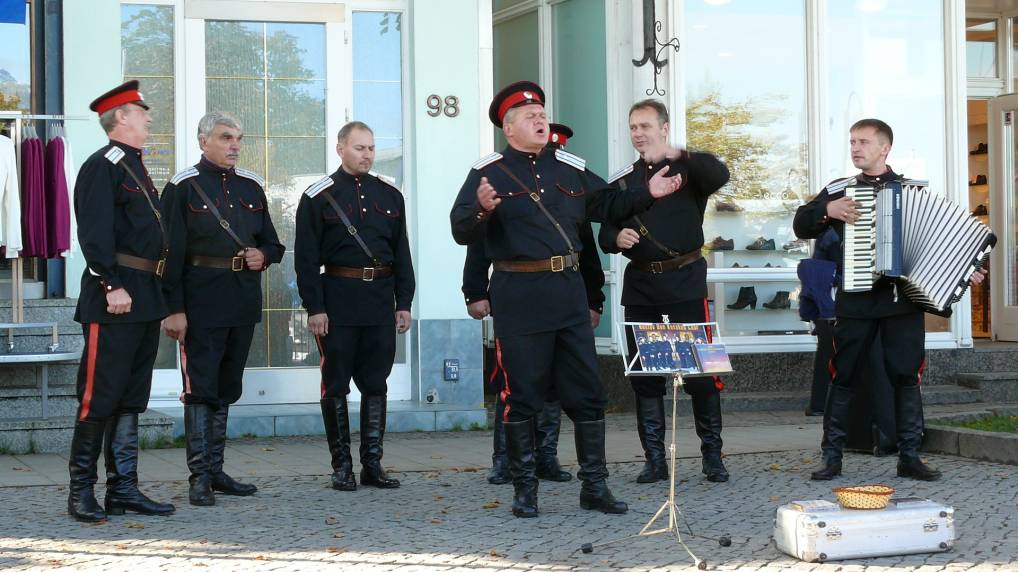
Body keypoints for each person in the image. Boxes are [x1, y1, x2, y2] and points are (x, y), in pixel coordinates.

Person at [450, 81, 683, 518]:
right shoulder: (489, 171)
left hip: (568, 295)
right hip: (519, 297)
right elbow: (462, 230)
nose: (540, 119)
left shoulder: (570, 168)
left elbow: (610, 203)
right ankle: (525, 491)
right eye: (530, 116)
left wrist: (647, 194)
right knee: (523, 396)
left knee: (588, 394)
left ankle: (594, 486)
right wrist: (481, 210)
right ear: (509, 128)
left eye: (541, 113)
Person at [793, 118, 987, 481]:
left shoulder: (913, 192)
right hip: (855, 301)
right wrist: (826, 211)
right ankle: (832, 457)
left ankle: (910, 455)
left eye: (863, 142)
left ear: (885, 148)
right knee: (844, 374)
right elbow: (801, 224)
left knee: (906, 376)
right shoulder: (838, 190)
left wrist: (967, 268)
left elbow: (940, 243)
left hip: (901, 302)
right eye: (852, 141)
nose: (855, 148)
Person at [463, 122, 606, 485]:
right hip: (521, 298)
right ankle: (504, 461)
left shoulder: (569, 188)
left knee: (560, 388)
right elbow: (479, 244)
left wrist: (595, 299)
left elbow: (583, 252)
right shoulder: (499, 177)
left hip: (564, 298)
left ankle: (547, 455)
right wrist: (475, 290)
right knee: (517, 386)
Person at [598, 99, 731, 484]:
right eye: (633, 127)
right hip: (641, 287)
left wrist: (680, 153)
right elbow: (605, 222)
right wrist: (613, 238)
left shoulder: (688, 169)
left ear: (664, 127)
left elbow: (720, 174)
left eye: (644, 126)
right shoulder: (625, 179)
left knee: (703, 375)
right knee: (645, 377)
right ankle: (655, 459)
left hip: (686, 283)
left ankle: (713, 456)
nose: (638, 134)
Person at [160, 112, 285, 506]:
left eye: (239, 138)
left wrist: (262, 255)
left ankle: (215, 470)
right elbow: (169, 255)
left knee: (227, 388)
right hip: (199, 301)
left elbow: (274, 244)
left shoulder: (251, 186)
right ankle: (198, 477)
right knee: (199, 389)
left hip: (241, 299)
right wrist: (173, 308)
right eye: (225, 137)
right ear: (203, 141)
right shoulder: (182, 187)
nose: (234, 145)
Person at [68, 80, 175, 521]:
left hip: (144, 295)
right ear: (121, 118)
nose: (149, 117)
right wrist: (111, 283)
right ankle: (80, 493)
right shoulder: (104, 165)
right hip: (115, 297)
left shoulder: (134, 165)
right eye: (141, 110)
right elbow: (94, 232)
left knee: (132, 396)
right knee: (99, 396)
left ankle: (123, 489)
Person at [295, 121, 415, 492]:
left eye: (371, 148)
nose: (367, 154)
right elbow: (305, 259)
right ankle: (342, 466)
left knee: (376, 384)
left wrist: (404, 301)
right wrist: (315, 307)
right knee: (335, 386)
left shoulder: (390, 196)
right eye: (359, 147)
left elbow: (401, 255)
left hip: (379, 302)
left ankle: (372, 465)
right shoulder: (317, 196)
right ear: (340, 149)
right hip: (338, 301)